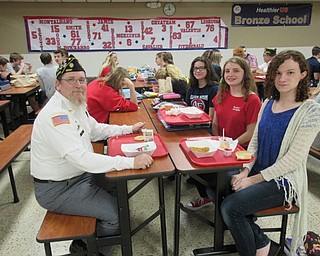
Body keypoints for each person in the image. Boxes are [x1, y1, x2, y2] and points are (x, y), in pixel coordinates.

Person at [30, 55, 153, 255]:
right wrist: (130, 161)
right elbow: (82, 159)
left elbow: (95, 130)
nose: (78, 85)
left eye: (81, 80)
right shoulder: (56, 116)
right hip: (58, 189)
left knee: (116, 183)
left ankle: (90, 237)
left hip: (78, 175)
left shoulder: (75, 104)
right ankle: (90, 249)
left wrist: (128, 129)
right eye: (71, 80)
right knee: (117, 214)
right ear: (58, 84)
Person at [221, 50, 320, 256]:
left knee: (231, 207)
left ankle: (256, 249)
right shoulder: (267, 103)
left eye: (290, 73)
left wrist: (253, 180)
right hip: (258, 170)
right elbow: (255, 142)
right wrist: (245, 171)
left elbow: (294, 159)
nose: (282, 79)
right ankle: (262, 243)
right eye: (278, 73)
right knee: (220, 186)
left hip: (283, 181)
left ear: (303, 74)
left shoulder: (310, 111)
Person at [185, 57, 261, 210]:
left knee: (220, 179)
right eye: (227, 71)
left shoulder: (252, 99)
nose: (230, 74)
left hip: (240, 152)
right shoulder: (221, 95)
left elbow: (251, 132)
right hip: (221, 147)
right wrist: (217, 143)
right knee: (194, 171)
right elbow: (215, 123)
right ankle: (210, 199)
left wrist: (230, 145)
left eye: (235, 70)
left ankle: (227, 210)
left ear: (245, 73)